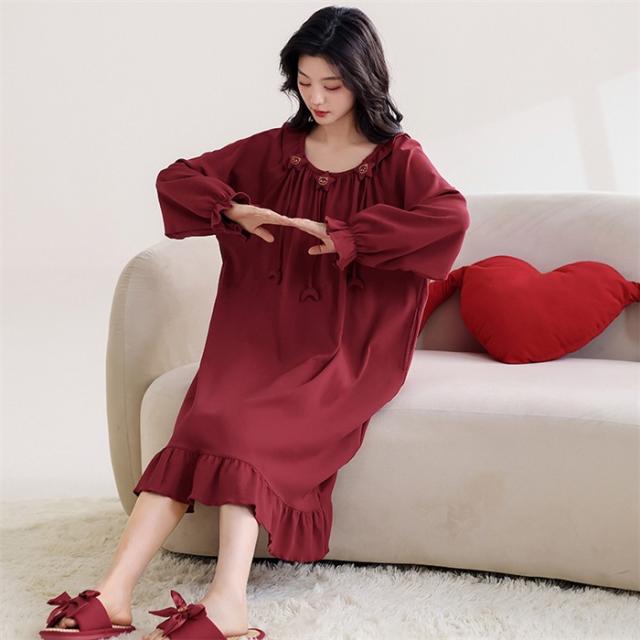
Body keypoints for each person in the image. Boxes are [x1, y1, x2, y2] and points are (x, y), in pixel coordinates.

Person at [39, 6, 470, 640]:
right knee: (204, 421)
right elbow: (177, 178)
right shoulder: (273, 150)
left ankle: (226, 601)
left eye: (333, 84)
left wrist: (350, 235)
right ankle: (114, 593)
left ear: (364, 79)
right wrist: (232, 211)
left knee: (245, 427)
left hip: (345, 348)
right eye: (305, 82)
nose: (316, 98)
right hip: (256, 336)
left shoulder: (398, 159)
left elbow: (449, 219)